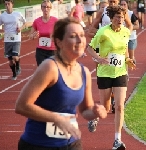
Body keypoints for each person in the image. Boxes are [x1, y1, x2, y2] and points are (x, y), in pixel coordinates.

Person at [15, 17, 107, 150]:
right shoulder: (50, 68)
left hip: (72, 143)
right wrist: (56, 119)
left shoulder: (84, 72)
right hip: (39, 144)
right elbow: (21, 106)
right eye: (73, 36)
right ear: (59, 42)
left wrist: (96, 112)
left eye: (82, 35)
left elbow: (85, 110)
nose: (80, 40)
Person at [87, 6, 136, 150]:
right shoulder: (103, 32)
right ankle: (95, 117)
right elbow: (90, 48)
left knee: (120, 106)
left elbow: (124, 51)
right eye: (117, 17)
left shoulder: (126, 32)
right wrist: (98, 58)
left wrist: (129, 60)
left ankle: (117, 140)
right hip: (105, 73)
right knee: (106, 107)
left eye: (122, 17)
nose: (120, 20)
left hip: (120, 72)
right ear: (111, 18)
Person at [0, 0, 26, 80]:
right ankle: (14, 74)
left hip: (16, 38)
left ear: (12, 5)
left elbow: (25, 23)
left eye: (8, 4)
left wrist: (20, 28)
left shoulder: (17, 14)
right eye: (5, 4)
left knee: (15, 56)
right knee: (10, 60)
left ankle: (18, 66)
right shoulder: (2, 16)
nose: (7, 5)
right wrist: (0, 30)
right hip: (7, 39)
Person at [29, 0, 58, 66]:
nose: (46, 9)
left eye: (48, 7)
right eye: (44, 7)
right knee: (42, 70)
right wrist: (33, 35)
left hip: (52, 51)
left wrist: (54, 37)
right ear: (41, 8)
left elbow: (61, 35)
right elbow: (30, 36)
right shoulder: (37, 21)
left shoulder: (55, 21)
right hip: (40, 51)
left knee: (51, 70)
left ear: (50, 8)